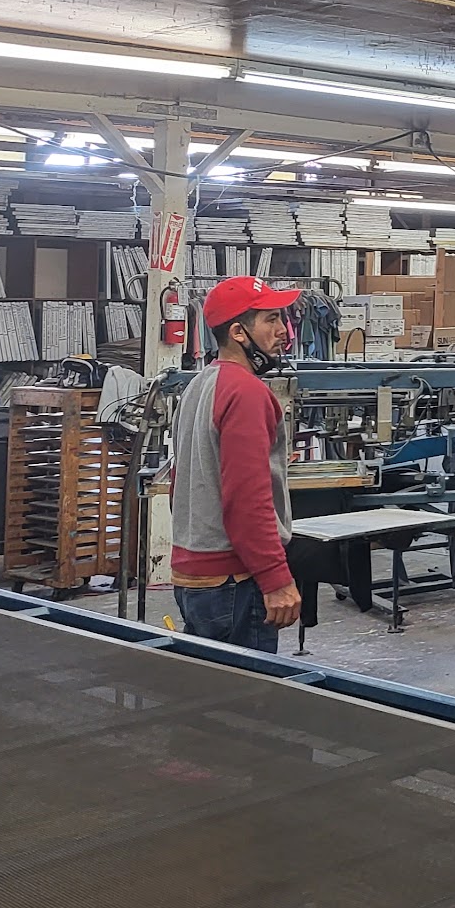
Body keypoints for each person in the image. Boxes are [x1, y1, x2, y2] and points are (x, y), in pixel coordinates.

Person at [169, 275, 303, 651]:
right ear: (238, 333)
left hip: (197, 576)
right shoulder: (246, 392)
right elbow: (247, 499)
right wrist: (276, 578)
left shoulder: (198, 385)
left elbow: (181, 482)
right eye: (271, 319)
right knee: (249, 688)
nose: (283, 330)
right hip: (234, 580)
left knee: (212, 685)